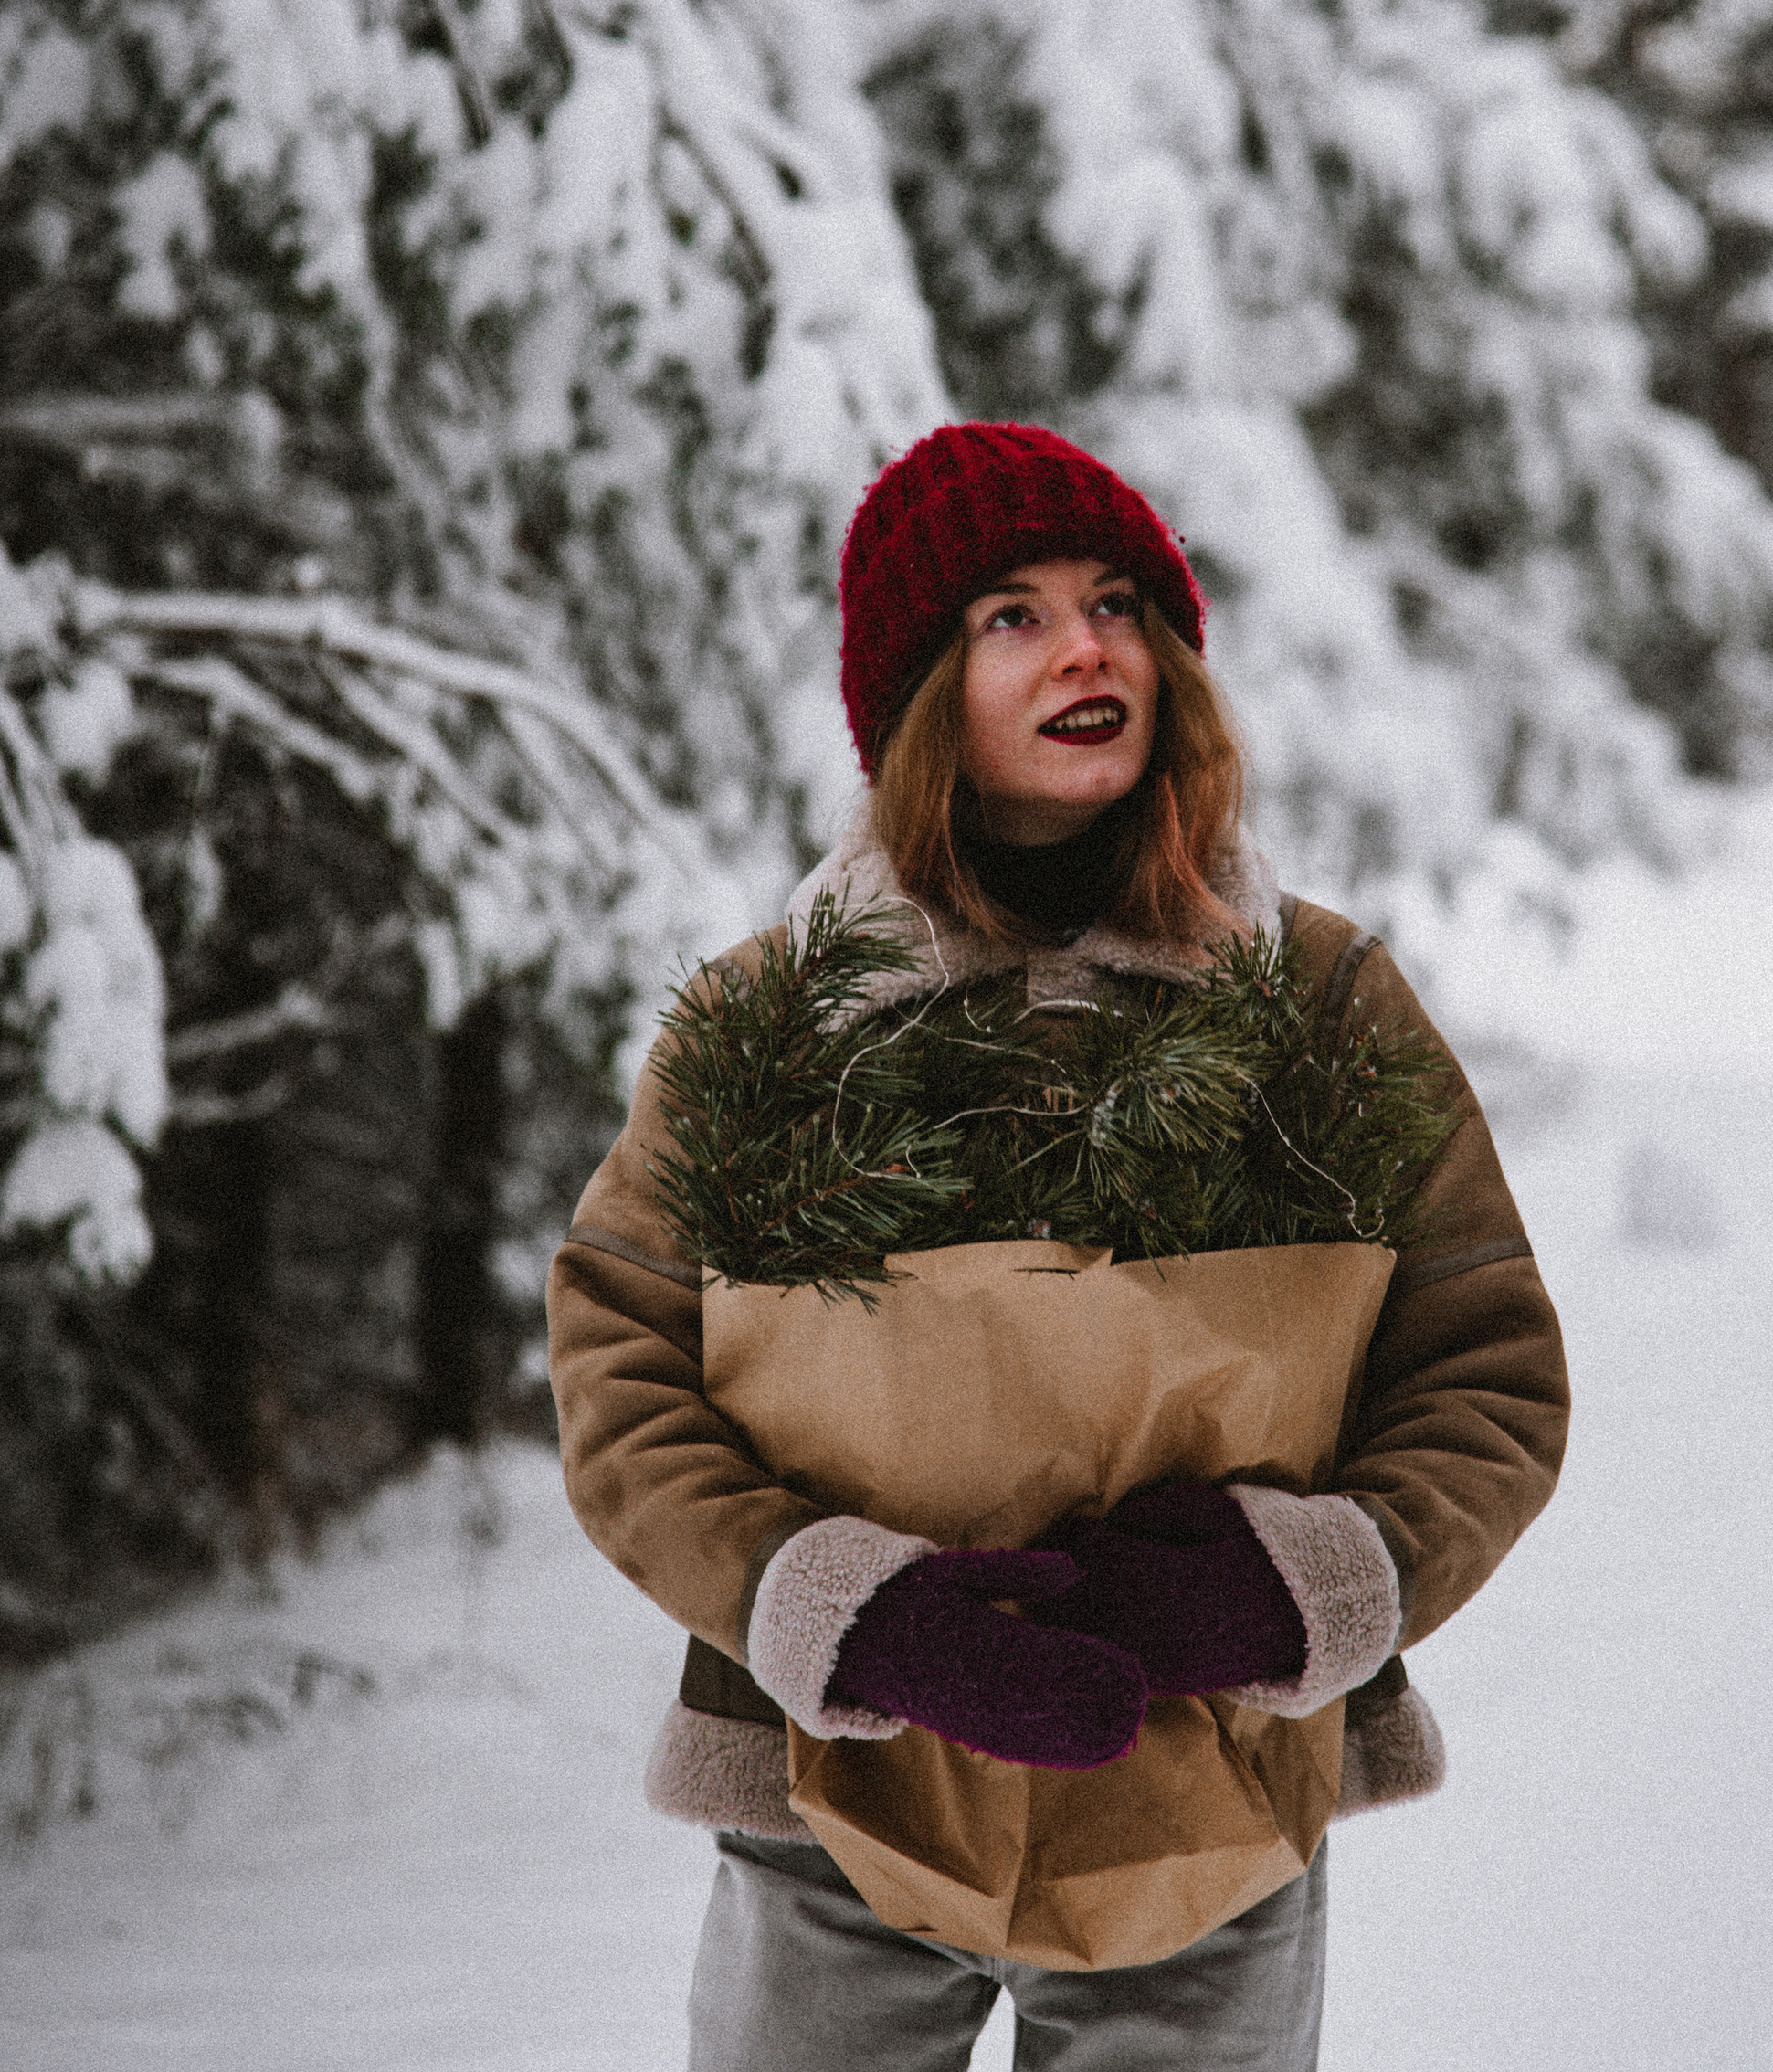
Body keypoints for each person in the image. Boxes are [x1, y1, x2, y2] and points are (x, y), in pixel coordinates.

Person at [546, 422, 1569, 2070]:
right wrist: (850, 1618)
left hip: (1213, 1805)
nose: (1086, 645)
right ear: (922, 698)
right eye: (1009, 616)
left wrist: (1292, 1585)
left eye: (1114, 605)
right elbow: (621, 1373)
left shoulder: (1315, 1003)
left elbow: (1490, 1370)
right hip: (838, 1810)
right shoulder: (774, 1020)